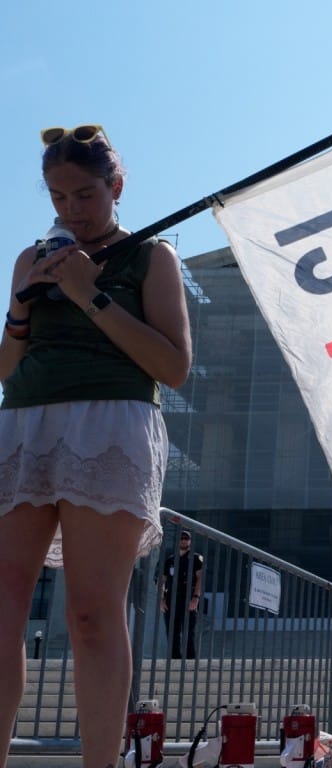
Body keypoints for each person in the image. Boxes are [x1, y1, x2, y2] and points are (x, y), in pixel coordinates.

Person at [0, 125, 191, 768]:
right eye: (58, 197)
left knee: (91, 611)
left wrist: (89, 294)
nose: (71, 209)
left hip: (111, 423)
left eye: (84, 194)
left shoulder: (152, 256)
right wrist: (22, 308)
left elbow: (173, 367)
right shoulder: (32, 257)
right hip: (23, 423)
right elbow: (5, 369)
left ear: (116, 187)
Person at [160, 529, 204, 659]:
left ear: (190, 541)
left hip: (188, 599)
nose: (183, 540)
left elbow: (200, 579)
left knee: (188, 632)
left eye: (186, 538)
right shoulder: (170, 559)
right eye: (181, 538)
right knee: (172, 632)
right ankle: (175, 661)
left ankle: (190, 662)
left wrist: (196, 598)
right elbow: (162, 581)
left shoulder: (196, 558)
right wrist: (161, 599)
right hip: (171, 599)